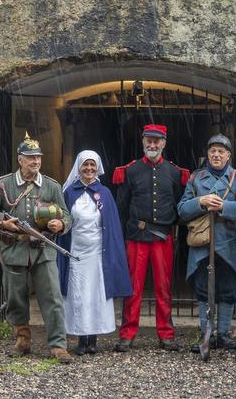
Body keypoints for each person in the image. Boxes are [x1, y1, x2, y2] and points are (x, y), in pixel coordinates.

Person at [0, 133, 73, 363]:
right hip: (14, 250)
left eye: (38, 158)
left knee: (52, 298)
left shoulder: (51, 186)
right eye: (30, 158)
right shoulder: (3, 184)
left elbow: (67, 215)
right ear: (20, 159)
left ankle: (58, 346)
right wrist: (2, 220)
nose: (36, 162)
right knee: (15, 298)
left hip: (43, 251)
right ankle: (22, 340)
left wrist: (60, 224)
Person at [112, 124, 189, 351]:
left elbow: (179, 205)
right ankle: (127, 333)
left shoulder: (175, 173)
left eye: (157, 141)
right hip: (136, 236)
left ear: (164, 143)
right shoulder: (131, 170)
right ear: (143, 142)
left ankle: (166, 334)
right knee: (133, 287)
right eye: (149, 141)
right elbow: (122, 207)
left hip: (162, 237)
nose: (152, 145)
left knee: (163, 288)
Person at [177, 134, 236, 351]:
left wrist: (223, 207)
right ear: (208, 154)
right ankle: (205, 333)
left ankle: (224, 335)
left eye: (221, 152)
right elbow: (181, 210)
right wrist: (201, 201)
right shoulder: (195, 178)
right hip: (202, 245)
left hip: (227, 244)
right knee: (202, 289)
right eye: (213, 151)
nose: (216, 155)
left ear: (228, 155)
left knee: (227, 289)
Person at [57, 150, 132, 356]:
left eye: (92, 165)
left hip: (99, 253)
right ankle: (81, 339)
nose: (89, 169)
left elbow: (112, 225)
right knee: (79, 295)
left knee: (96, 295)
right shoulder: (69, 193)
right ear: (79, 168)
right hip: (76, 253)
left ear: (97, 167)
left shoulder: (105, 193)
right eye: (85, 165)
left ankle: (93, 340)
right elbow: (64, 220)